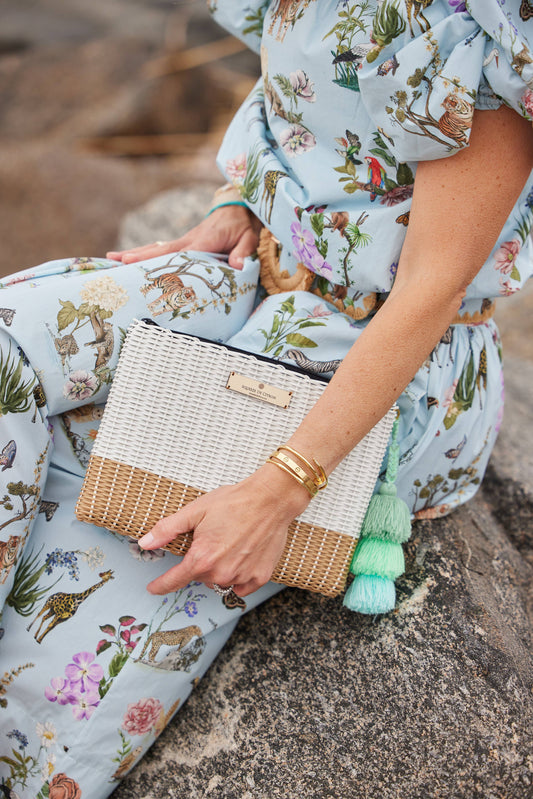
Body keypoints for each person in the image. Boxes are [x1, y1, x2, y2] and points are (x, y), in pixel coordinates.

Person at [0, 1, 532, 796]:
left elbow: (425, 294)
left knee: (88, 590)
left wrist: (275, 492)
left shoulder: (474, 35)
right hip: (265, 272)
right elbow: (307, 103)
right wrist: (239, 202)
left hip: (377, 350)